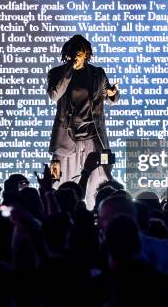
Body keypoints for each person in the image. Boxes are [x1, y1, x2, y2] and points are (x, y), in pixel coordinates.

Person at [47, 35, 119, 209]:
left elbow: (111, 98)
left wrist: (111, 94)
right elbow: (54, 95)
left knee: (99, 180)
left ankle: (98, 212)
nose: (75, 56)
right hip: (66, 138)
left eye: (78, 53)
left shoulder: (97, 74)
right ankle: (59, 211)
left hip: (93, 138)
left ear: (86, 54)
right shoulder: (57, 73)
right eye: (72, 53)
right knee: (59, 181)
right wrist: (68, 72)